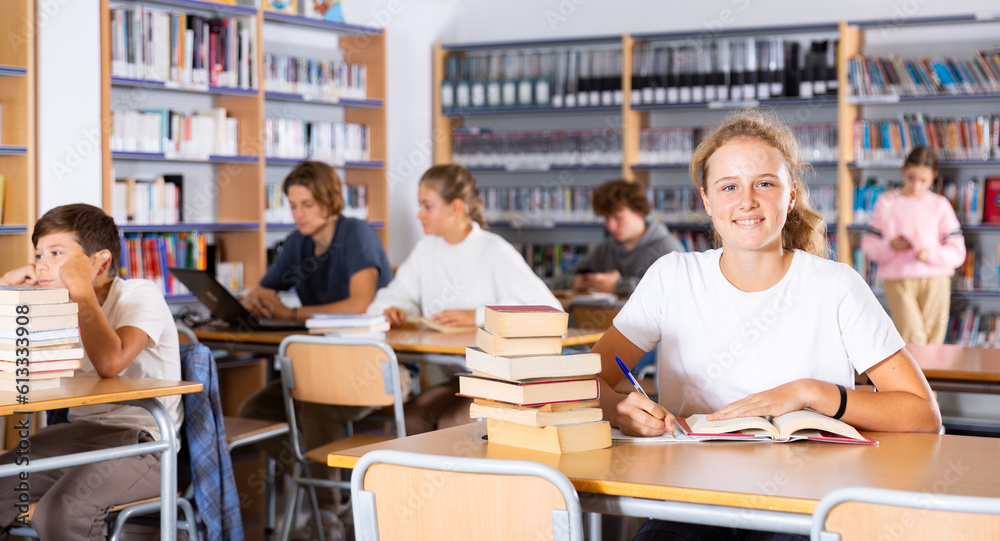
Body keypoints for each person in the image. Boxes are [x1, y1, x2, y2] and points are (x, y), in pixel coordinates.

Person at [589, 111, 942, 541]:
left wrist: (808, 392)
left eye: (765, 184)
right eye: (729, 186)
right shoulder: (671, 277)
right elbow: (583, 382)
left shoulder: (836, 286)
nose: (747, 201)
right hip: (691, 501)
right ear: (706, 200)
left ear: (790, 194)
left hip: (808, 507)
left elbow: (922, 414)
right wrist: (617, 409)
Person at [0, 204, 182, 541]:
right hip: (77, 435)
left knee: (62, 511)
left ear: (100, 261)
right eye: (39, 254)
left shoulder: (140, 294)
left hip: (144, 443)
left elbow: (111, 363)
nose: (42, 265)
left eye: (56, 253)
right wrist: (5, 289)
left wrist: (82, 293)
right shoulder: (53, 302)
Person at [237, 160, 397, 540]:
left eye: (307, 204)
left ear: (330, 200)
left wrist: (291, 312)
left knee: (310, 399)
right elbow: (264, 289)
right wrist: (253, 301)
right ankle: (320, 482)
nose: (298, 214)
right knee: (253, 413)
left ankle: (326, 509)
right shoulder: (297, 244)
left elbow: (359, 303)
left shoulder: (356, 235)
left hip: (372, 368)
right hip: (318, 368)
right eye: (292, 205)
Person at [366, 164, 561, 434]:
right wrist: (396, 309)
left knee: (453, 424)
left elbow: (551, 311)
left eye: (427, 206)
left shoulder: (493, 250)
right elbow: (394, 296)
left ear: (455, 207)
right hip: (464, 378)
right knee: (411, 418)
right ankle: (423, 478)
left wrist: (478, 315)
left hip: (507, 378)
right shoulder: (426, 250)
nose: (419, 214)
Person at [861, 147, 965, 345]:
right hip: (899, 281)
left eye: (923, 180)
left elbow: (958, 252)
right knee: (913, 338)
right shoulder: (886, 202)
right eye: (911, 178)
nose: (916, 185)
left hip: (936, 280)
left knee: (934, 339)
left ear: (933, 177)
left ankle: (930, 377)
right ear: (902, 171)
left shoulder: (940, 205)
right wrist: (890, 246)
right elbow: (869, 246)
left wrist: (930, 254)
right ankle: (916, 376)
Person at [548, 179, 684, 296]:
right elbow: (556, 281)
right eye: (606, 218)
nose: (610, 226)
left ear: (639, 212)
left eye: (618, 218)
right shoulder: (604, 249)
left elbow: (677, 292)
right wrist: (577, 282)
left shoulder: (668, 250)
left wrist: (618, 286)